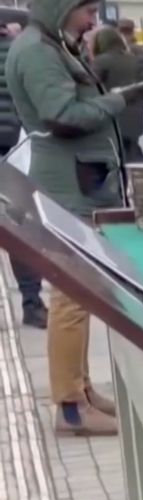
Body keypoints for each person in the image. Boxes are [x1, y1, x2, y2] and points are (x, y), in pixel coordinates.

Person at [8, 0, 143, 436]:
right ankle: (69, 403)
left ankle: (80, 389)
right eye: (85, 10)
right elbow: (62, 114)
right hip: (67, 181)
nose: (92, 20)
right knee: (73, 290)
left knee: (81, 292)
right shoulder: (37, 51)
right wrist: (116, 101)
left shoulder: (51, 44)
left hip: (76, 177)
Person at [0, 20, 43, 331]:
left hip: (13, 146)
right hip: (16, 147)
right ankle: (32, 303)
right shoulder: (21, 51)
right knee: (21, 227)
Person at [89, 26, 143, 160]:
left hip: (112, 118)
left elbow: (90, 88)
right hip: (135, 119)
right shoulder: (136, 60)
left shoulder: (100, 62)